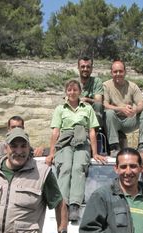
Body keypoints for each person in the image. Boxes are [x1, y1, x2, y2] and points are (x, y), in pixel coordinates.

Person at [46, 79, 107, 222]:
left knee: (78, 167)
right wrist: (51, 153)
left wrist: (95, 152)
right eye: (69, 90)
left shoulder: (87, 108)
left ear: (80, 91)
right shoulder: (60, 109)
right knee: (65, 167)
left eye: (75, 90)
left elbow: (92, 131)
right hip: (65, 141)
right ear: (66, 92)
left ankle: (74, 205)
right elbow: (55, 131)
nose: (72, 92)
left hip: (82, 141)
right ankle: (62, 205)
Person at [103, 60, 143, 156]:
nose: (118, 74)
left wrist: (135, 110)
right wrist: (120, 109)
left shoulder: (132, 86)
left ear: (125, 72)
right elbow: (104, 104)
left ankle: (142, 146)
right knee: (108, 113)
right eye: (115, 71)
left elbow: (141, 103)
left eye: (120, 71)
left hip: (129, 120)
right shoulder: (106, 85)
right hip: (114, 121)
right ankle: (114, 147)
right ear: (111, 73)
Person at [78, 56, 105, 129]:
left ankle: (96, 132)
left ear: (91, 69)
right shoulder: (73, 83)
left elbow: (98, 101)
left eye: (88, 67)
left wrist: (86, 100)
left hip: (93, 113)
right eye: (83, 66)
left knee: (98, 105)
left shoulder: (97, 81)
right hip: (77, 112)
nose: (85, 69)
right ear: (78, 68)